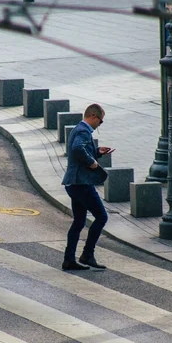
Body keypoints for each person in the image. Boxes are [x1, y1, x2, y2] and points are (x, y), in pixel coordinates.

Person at [61, 104, 114, 271]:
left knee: (79, 222)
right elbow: (77, 149)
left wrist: (97, 151)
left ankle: (69, 259)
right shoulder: (84, 131)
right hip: (81, 183)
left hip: (73, 183)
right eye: (101, 121)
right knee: (101, 217)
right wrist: (92, 162)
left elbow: (79, 149)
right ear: (94, 116)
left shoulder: (78, 128)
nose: (100, 124)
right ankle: (87, 254)